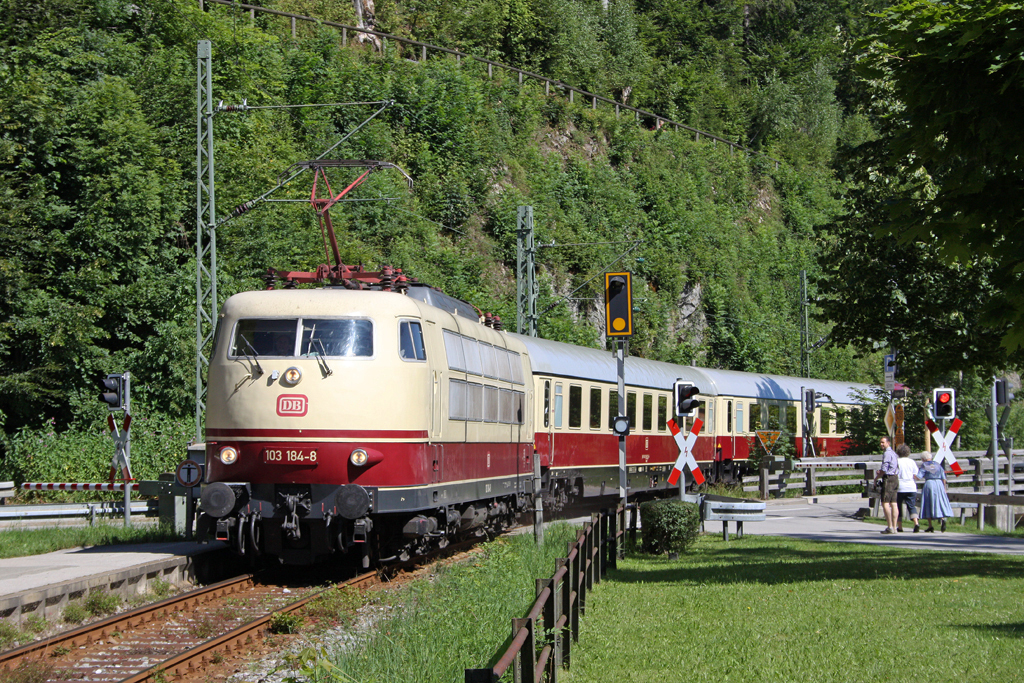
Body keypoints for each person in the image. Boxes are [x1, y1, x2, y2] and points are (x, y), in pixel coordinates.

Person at [919, 451, 953, 532]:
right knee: (939, 501)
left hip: (930, 483)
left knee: (928, 502)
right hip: (939, 484)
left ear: (923, 459)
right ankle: (942, 519)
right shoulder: (937, 464)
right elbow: (943, 477)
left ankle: (930, 525)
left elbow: (919, 476)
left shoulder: (925, 465)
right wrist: (944, 488)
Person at [875, 436, 900, 534]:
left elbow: (884, 469)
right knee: (894, 503)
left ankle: (890, 526)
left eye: (883, 442)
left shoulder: (887, 453)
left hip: (889, 478)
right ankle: (894, 527)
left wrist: (877, 477)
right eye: (880, 442)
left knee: (885, 502)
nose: (881, 444)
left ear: (888, 443)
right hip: (895, 477)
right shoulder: (894, 453)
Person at [894, 443, 920, 532]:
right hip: (911, 486)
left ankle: (900, 526)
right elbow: (916, 474)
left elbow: (894, 473)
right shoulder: (912, 462)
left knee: (898, 506)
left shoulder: (897, 461)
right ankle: (916, 522)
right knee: (911, 506)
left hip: (900, 486)